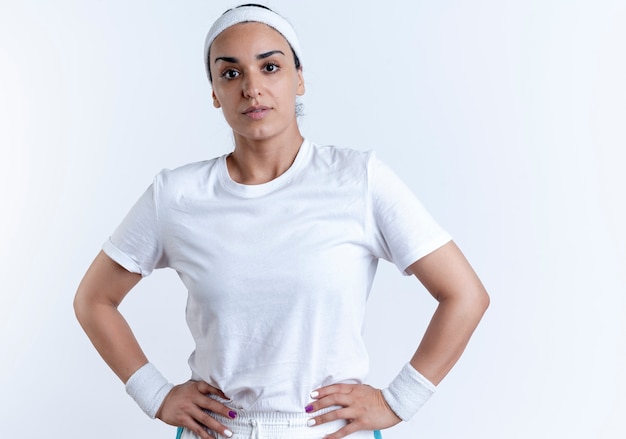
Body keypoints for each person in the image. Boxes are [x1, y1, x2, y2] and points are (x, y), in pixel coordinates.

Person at [73, 4, 489, 439]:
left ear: (300, 78)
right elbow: (94, 300)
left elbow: (464, 295)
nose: (252, 87)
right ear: (214, 91)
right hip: (221, 430)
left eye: (270, 66)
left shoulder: (357, 180)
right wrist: (154, 394)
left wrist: (399, 400)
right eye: (230, 73)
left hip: (326, 431)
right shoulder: (177, 194)